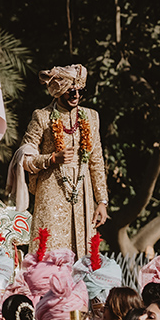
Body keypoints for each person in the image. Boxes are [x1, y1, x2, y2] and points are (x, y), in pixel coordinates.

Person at [16, 64, 108, 258]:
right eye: (71, 91)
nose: (76, 96)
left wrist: (102, 201)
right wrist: (51, 158)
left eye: (81, 91)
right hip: (52, 192)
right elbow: (25, 158)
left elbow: (96, 161)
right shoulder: (42, 117)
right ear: (59, 91)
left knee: (84, 255)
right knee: (48, 251)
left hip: (83, 192)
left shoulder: (92, 117)